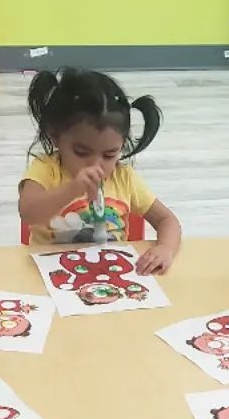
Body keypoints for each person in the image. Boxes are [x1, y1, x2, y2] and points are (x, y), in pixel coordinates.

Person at [19, 68, 181, 271]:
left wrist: (165, 248)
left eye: (109, 155)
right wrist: (73, 188)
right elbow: (29, 214)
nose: (96, 165)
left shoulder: (124, 177)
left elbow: (167, 220)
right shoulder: (46, 170)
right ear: (55, 137)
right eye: (81, 152)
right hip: (50, 273)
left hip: (109, 274)